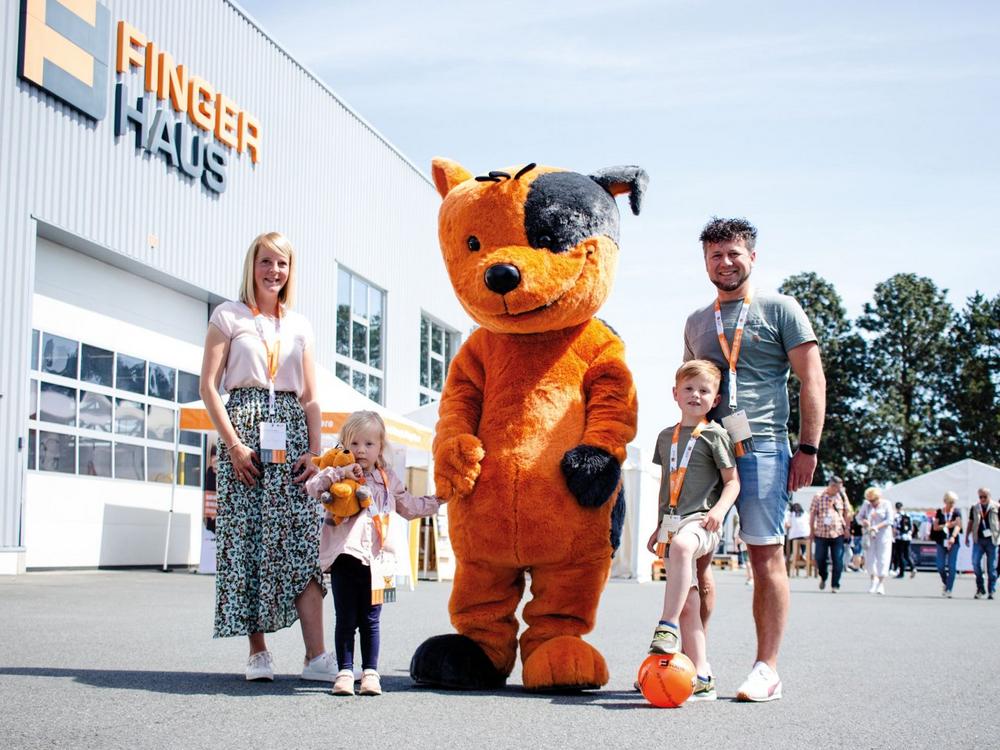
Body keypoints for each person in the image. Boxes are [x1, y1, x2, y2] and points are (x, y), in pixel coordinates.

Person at [684, 217, 825, 702]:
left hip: (762, 446)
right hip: (708, 449)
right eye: (715, 255)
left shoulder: (781, 309)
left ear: (752, 257)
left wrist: (808, 447)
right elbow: (691, 387)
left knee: (765, 554)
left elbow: (812, 379)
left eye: (733, 254)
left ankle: (767, 669)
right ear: (705, 261)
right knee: (693, 554)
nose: (725, 263)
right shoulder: (696, 321)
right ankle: (694, 666)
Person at [200, 231, 332, 682]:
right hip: (244, 432)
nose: (274, 271)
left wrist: (315, 452)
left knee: (302, 542)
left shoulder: (300, 326)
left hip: (292, 435)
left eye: (282, 263)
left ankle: (316, 656)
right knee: (248, 540)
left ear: (290, 271)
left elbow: (311, 397)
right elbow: (208, 387)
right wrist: (233, 445)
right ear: (252, 265)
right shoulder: (228, 315)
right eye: (266, 261)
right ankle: (258, 652)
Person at [306, 411, 440, 696]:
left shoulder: (387, 478)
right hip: (345, 557)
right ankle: (344, 671)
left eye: (369, 444)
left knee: (371, 619)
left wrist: (439, 500)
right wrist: (340, 472)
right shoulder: (337, 472)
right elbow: (313, 487)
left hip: (379, 562)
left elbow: (409, 506)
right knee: (345, 618)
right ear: (344, 444)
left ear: (380, 447)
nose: (361, 450)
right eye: (354, 443)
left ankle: (370, 672)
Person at [645, 360, 739, 702]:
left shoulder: (716, 435)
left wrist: (718, 511)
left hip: (702, 522)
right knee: (689, 603)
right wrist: (659, 526)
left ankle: (666, 627)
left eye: (704, 390)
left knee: (685, 548)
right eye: (688, 388)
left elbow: (733, 482)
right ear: (675, 393)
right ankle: (702, 676)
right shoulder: (664, 437)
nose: (695, 395)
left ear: (716, 400)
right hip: (672, 524)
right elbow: (666, 486)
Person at [809, 476, 851, 592]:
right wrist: (811, 530)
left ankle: (835, 585)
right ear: (832, 486)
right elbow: (812, 514)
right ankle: (823, 576)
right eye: (838, 488)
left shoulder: (842, 496)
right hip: (821, 533)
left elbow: (848, 512)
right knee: (820, 558)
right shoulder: (819, 496)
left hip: (838, 533)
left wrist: (847, 528)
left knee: (838, 559)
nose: (839, 490)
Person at [857, 488, 894, 595]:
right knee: (870, 558)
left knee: (883, 557)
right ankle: (873, 580)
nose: (872, 503)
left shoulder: (886, 504)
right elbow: (858, 518)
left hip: (883, 534)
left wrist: (877, 527)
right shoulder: (866, 505)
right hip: (869, 534)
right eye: (870, 501)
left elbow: (889, 520)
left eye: (873, 500)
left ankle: (881, 582)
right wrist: (864, 522)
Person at [965, 487, 998, 600]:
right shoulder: (975, 507)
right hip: (978, 539)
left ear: (989, 496)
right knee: (975, 562)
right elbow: (971, 522)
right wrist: (967, 536)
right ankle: (980, 587)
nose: (983, 499)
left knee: (992, 567)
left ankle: (991, 590)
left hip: (992, 540)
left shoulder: (996, 507)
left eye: (985, 497)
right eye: (980, 497)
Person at [932, 491, 963, 598]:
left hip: (953, 542)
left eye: (953, 502)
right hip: (941, 542)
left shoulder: (957, 512)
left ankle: (949, 589)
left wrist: (953, 536)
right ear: (945, 501)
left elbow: (958, 525)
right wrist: (947, 525)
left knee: (952, 566)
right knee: (940, 565)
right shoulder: (939, 512)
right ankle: (946, 582)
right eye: (950, 502)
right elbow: (935, 527)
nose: (952, 504)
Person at [784, 502, 810, 576]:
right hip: (806, 535)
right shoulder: (805, 513)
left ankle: (789, 556)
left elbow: (787, 525)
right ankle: (804, 553)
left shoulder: (790, 514)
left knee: (790, 542)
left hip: (794, 536)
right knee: (803, 540)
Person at [891, 501, 916, 579]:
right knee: (907, 554)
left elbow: (894, 528)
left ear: (896, 508)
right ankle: (913, 567)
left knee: (900, 555)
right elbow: (912, 527)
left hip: (899, 537)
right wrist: (910, 534)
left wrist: (893, 536)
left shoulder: (896, 516)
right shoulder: (908, 515)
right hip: (907, 537)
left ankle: (901, 573)